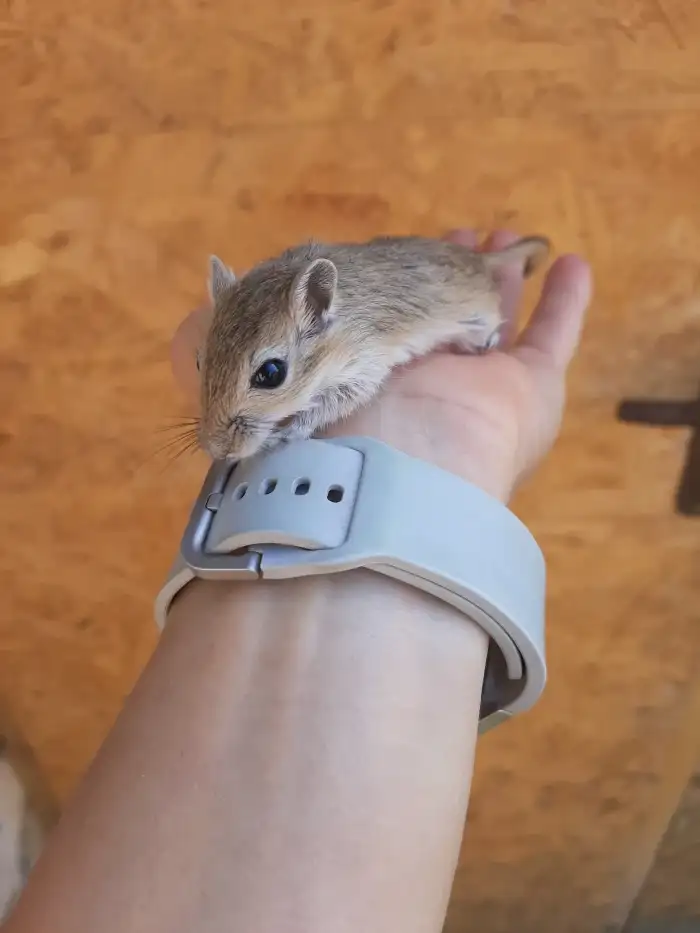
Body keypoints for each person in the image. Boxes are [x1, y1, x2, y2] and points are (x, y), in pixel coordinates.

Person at [4, 228, 591, 933]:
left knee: (469, 298)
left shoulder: (358, 333)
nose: (216, 437)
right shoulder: (263, 318)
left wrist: (303, 429)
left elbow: (362, 378)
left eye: (269, 375)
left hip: (452, 292)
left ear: (320, 308)